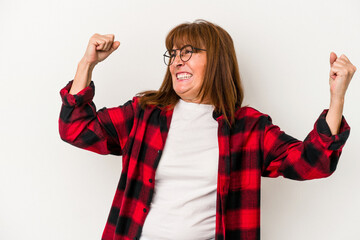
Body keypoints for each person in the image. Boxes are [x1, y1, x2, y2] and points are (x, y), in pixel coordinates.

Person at [59, 20, 355, 240]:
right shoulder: (144, 114)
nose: (177, 61)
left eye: (188, 52)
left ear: (216, 61)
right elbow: (75, 128)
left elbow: (314, 162)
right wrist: (87, 64)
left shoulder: (248, 128)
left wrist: (336, 97)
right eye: (173, 54)